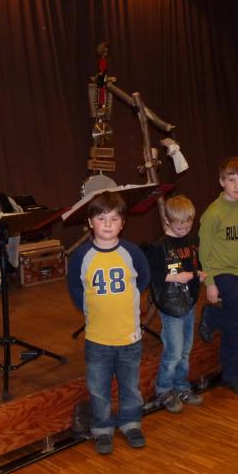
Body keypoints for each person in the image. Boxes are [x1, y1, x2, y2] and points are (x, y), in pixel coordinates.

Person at [67, 191, 151, 455]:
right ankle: (102, 427)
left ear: (122, 224)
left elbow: (143, 279)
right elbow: (75, 287)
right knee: (98, 389)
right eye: (101, 218)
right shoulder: (81, 256)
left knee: (130, 386)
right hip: (97, 339)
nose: (107, 224)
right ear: (90, 222)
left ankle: (130, 423)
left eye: (114, 219)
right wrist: (90, 308)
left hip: (129, 337)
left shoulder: (132, 252)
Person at [197, 157, 238, 396]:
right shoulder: (213, 214)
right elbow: (203, 252)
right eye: (231, 180)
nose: (237, 186)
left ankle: (231, 375)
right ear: (222, 182)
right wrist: (210, 283)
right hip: (220, 273)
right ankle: (213, 315)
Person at [145, 195, 206, 413]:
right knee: (173, 351)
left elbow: (193, 264)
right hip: (171, 305)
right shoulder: (159, 246)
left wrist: (199, 274)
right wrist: (175, 277)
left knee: (185, 350)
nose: (184, 230)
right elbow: (150, 275)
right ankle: (163, 389)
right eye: (180, 226)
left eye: (188, 225)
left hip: (189, 301)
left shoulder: (190, 240)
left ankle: (181, 386)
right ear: (167, 221)